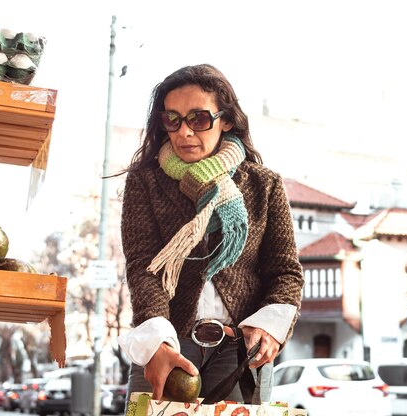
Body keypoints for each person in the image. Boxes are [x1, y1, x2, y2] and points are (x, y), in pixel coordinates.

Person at [116, 64, 304, 405]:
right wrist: (157, 340)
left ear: (227, 120)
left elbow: (285, 272)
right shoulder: (146, 182)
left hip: (240, 352)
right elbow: (145, 266)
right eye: (172, 120)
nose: (184, 132)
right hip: (168, 343)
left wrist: (269, 327)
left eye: (198, 119)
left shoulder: (264, 185)